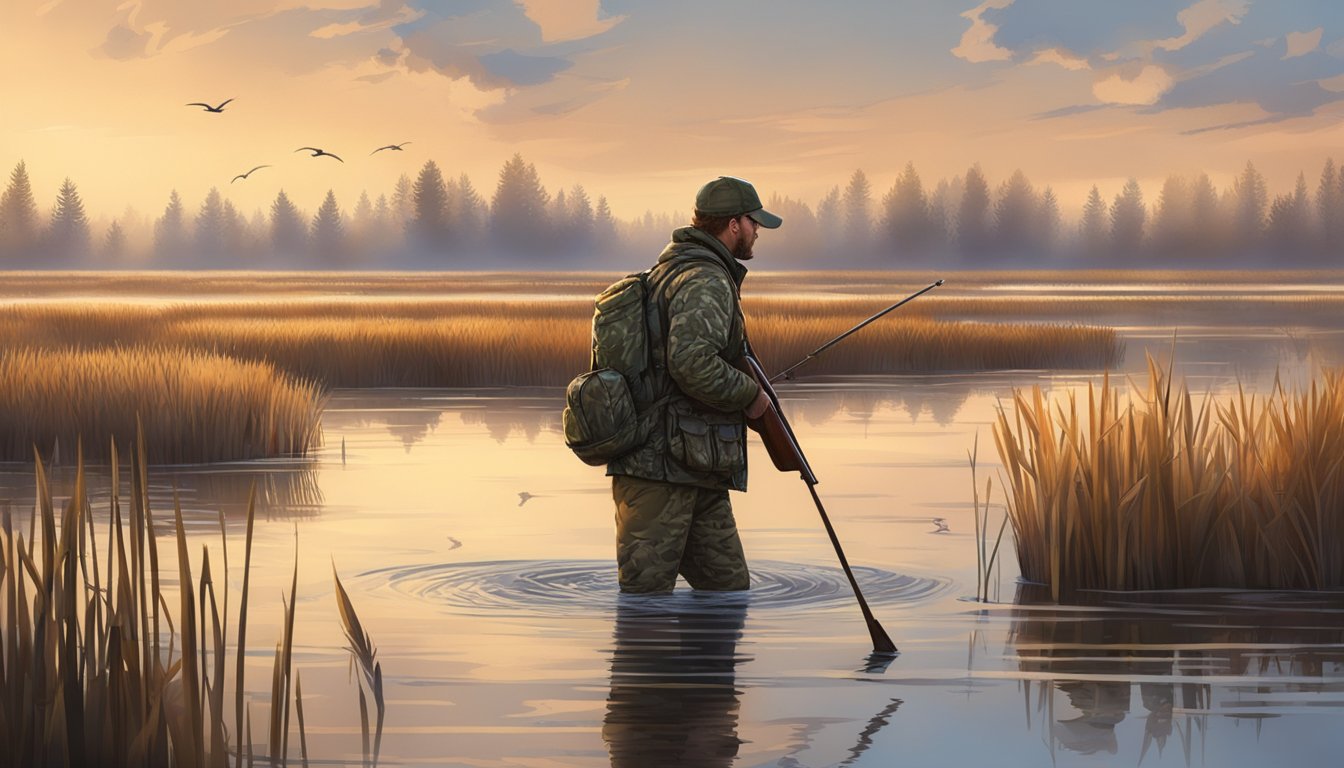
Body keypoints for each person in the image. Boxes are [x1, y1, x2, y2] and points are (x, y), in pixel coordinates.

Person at [606, 176, 781, 593]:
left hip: (697, 465)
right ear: (734, 224)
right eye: (754, 222)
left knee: (728, 592)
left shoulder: (674, 270)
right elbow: (691, 362)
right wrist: (751, 395)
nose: (758, 231)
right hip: (660, 470)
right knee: (644, 607)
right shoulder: (705, 279)